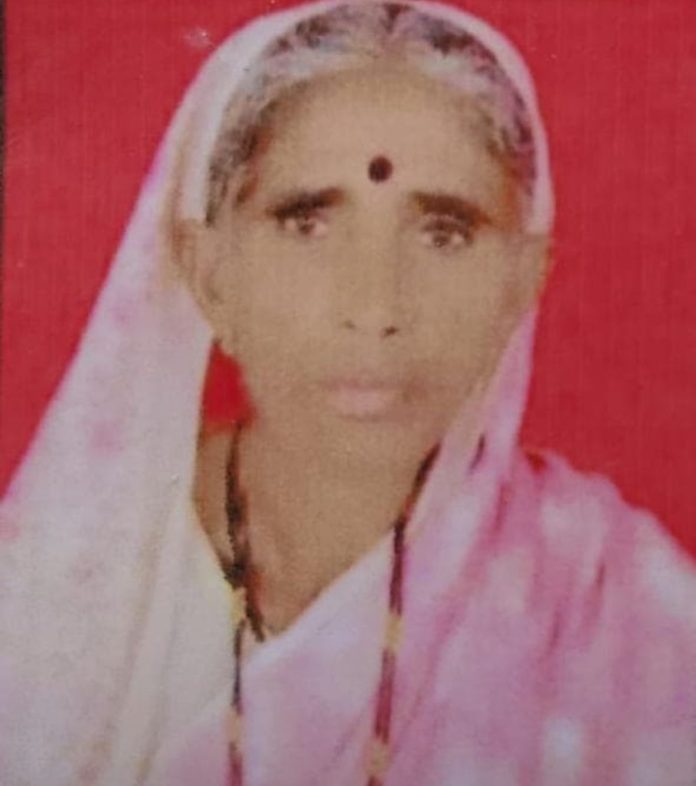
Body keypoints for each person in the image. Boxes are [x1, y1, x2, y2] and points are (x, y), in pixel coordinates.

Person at [1, 2, 694, 785]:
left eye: (443, 233)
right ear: (209, 272)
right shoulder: (58, 584)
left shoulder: (615, 612)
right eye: (308, 225)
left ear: (522, 281)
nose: (375, 308)